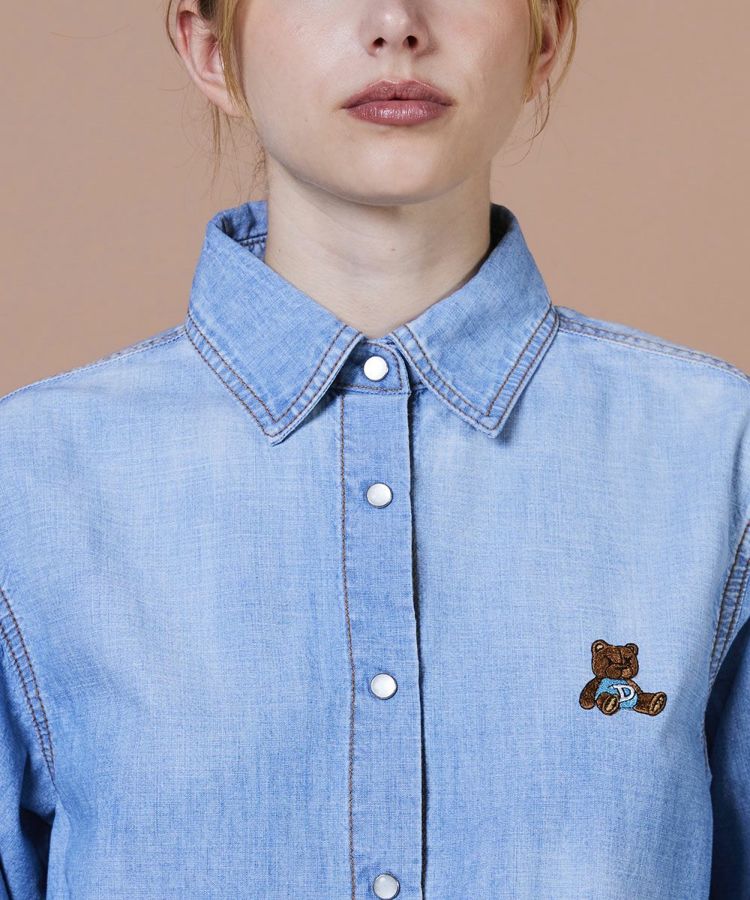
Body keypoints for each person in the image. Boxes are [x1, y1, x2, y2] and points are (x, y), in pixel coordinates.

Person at [0, 1, 748, 897]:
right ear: (210, 49)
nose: (396, 23)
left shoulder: (716, 454)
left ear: (544, 40)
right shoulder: (30, 480)